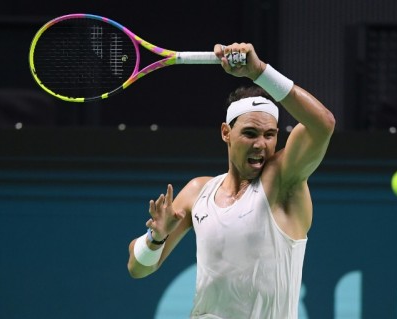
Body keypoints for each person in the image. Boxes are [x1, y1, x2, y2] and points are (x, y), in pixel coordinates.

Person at [127, 42, 336, 319]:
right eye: (250, 133)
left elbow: (323, 124)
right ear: (226, 132)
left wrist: (260, 71)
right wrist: (155, 237)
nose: (261, 144)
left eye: (270, 135)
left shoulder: (283, 181)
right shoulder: (198, 192)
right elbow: (138, 268)